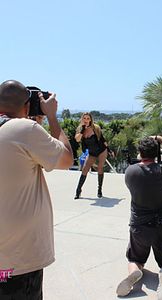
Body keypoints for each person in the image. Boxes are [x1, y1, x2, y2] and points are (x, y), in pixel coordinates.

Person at [0, 80, 73, 299]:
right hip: (18, 260)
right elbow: (66, 158)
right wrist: (51, 116)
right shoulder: (25, 129)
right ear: (27, 105)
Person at [116, 135, 162, 300]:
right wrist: (159, 138)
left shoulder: (130, 172)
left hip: (139, 227)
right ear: (156, 152)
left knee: (135, 259)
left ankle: (135, 272)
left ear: (140, 152)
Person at [74, 112, 111, 199]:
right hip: (92, 153)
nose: (86, 120)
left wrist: (109, 150)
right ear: (82, 119)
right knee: (84, 170)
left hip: (102, 150)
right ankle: (78, 191)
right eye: (84, 118)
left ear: (90, 119)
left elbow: (103, 140)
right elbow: (77, 140)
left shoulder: (96, 128)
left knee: (100, 168)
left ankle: (99, 190)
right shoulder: (80, 129)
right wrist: (83, 129)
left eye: (88, 118)